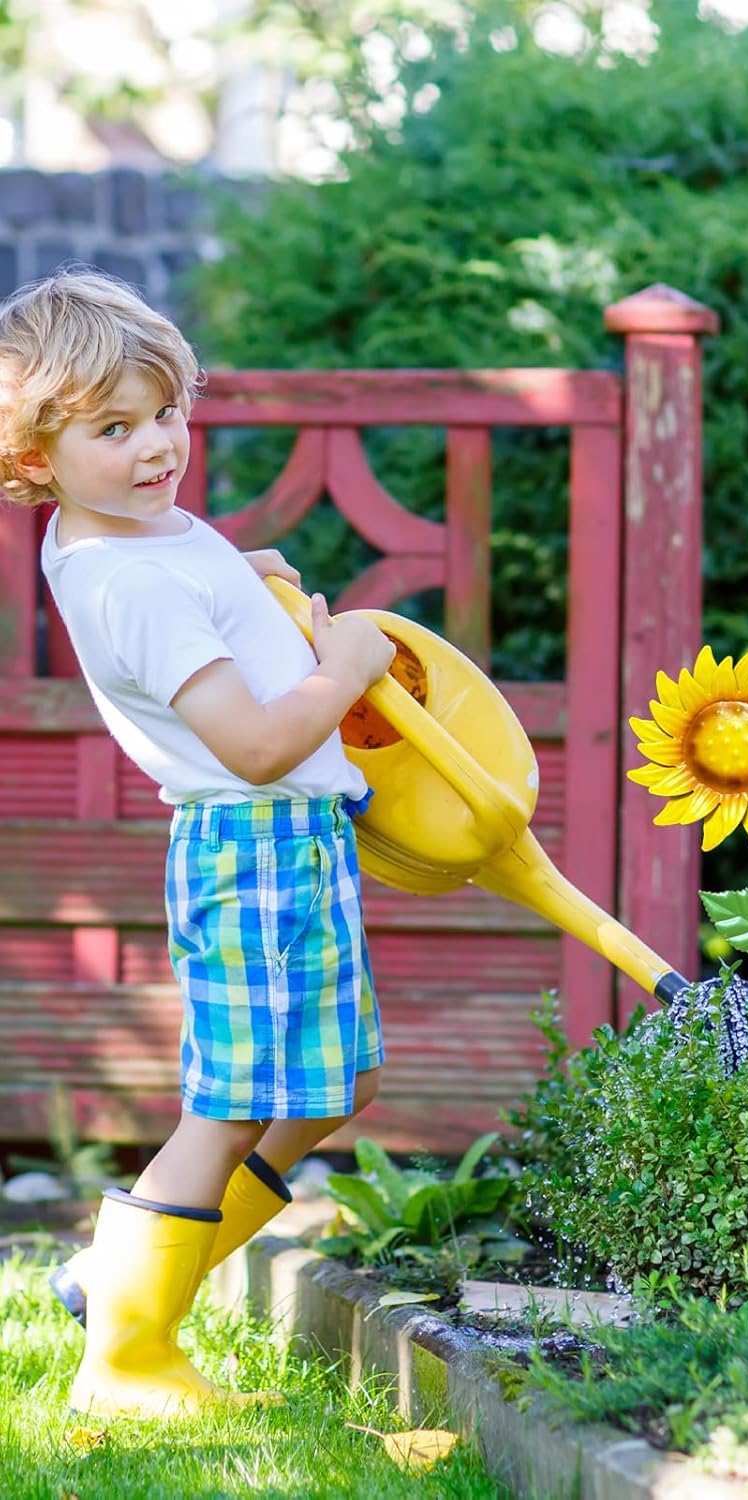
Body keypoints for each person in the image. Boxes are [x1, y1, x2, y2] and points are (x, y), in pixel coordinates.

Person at [0, 268, 396, 1419]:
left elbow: (190, 577)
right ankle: (129, 1356)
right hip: (257, 843)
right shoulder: (132, 585)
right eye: (112, 428)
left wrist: (245, 579)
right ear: (35, 459)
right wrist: (347, 667)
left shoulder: (135, 534)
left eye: (164, 411)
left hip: (298, 845)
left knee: (337, 1085)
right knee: (230, 1106)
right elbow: (261, 742)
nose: (155, 447)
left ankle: (118, 1278)